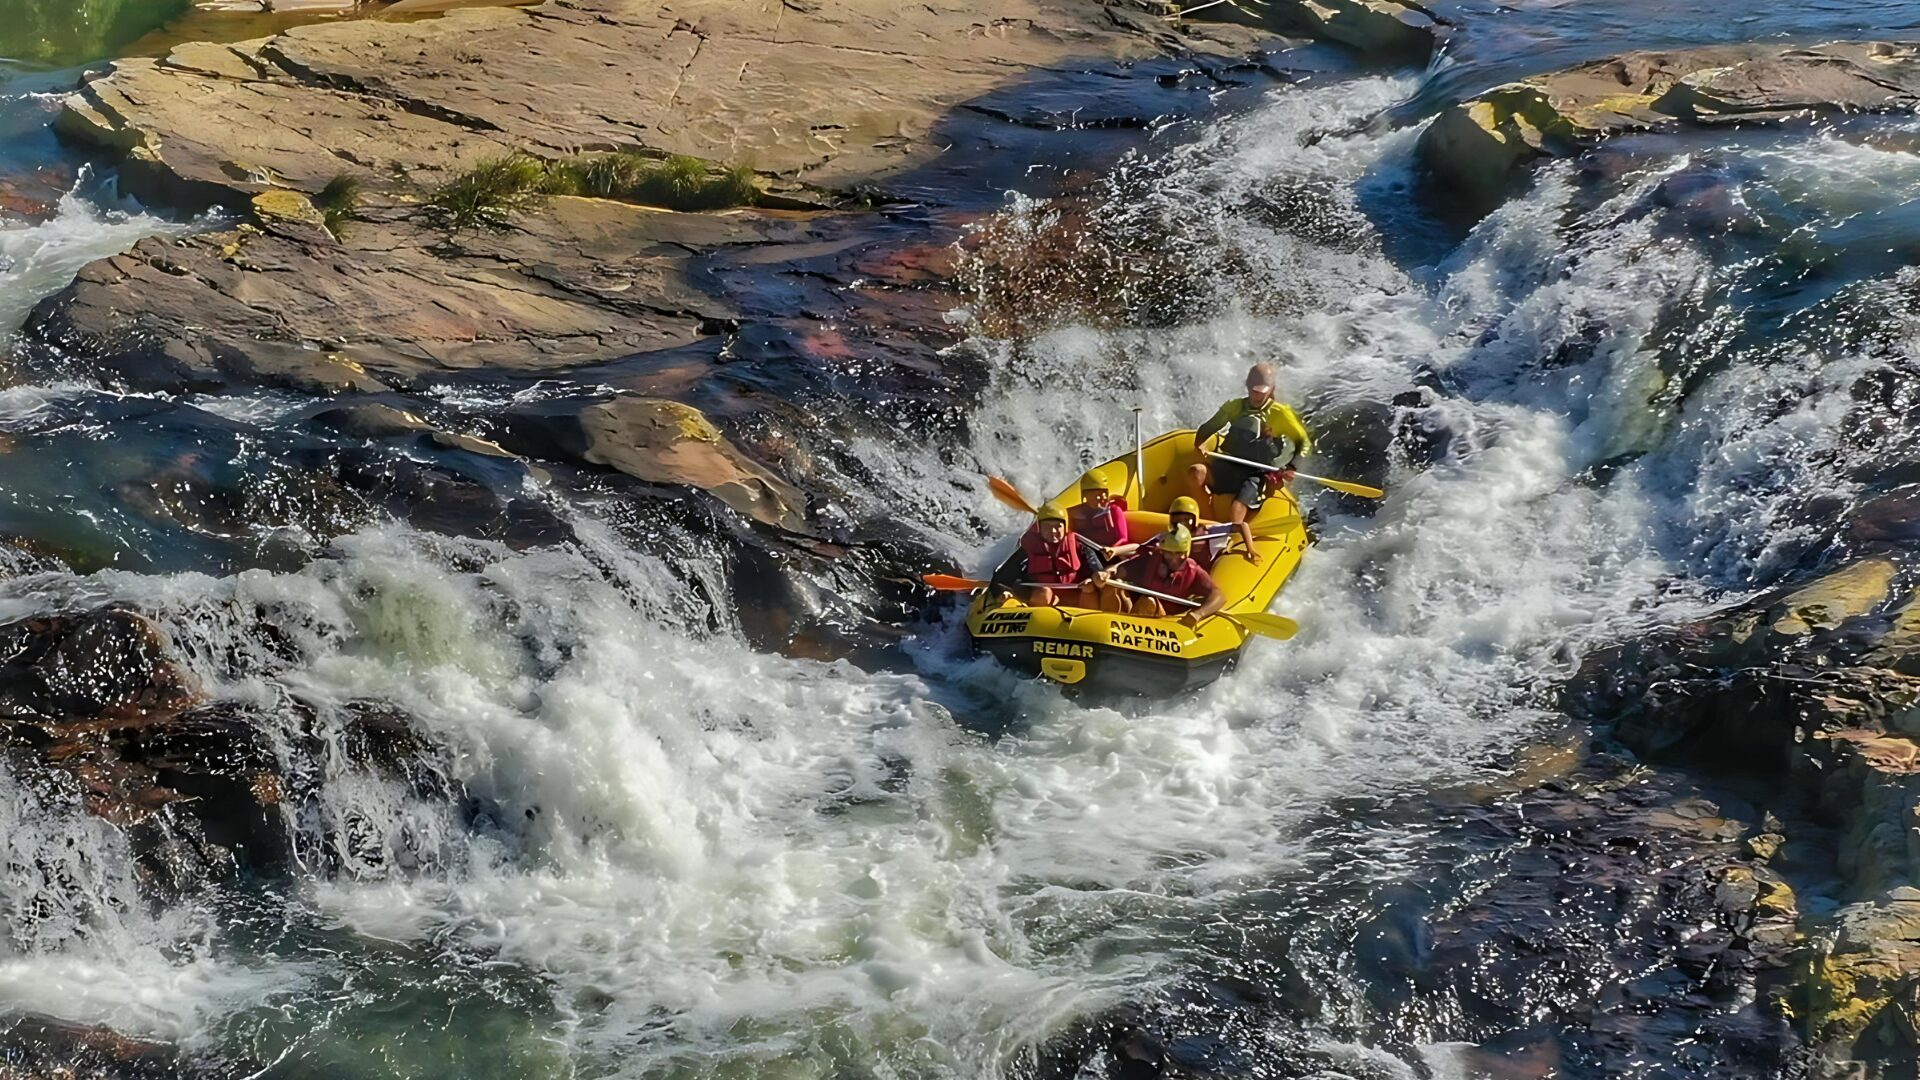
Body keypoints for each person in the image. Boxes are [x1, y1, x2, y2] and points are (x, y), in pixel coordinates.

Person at [1185, 362, 1311, 560]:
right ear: (1247, 387)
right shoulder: (1234, 407)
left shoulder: (1280, 413)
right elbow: (1209, 427)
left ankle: (1232, 537)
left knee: (1236, 511)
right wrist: (1200, 442)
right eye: (1254, 391)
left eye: (1262, 391)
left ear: (1272, 390)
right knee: (1196, 472)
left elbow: (1303, 442)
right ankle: (1209, 522)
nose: (1257, 396)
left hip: (1256, 472)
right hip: (1229, 463)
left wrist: (1291, 466)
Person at [988, 500, 1109, 608]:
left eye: (1058, 527)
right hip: (1045, 598)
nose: (1053, 531)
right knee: (1043, 593)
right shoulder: (1028, 549)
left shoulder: (1079, 547)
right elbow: (1002, 578)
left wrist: (1097, 576)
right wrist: (1001, 592)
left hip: (1076, 594)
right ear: (1039, 528)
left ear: (1065, 527)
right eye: (1047, 527)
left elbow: (1096, 568)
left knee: (1089, 590)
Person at [1120, 526, 1226, 628]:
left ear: (1185, 553)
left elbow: (1219, 596)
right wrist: (1108, 573)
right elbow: (1121, 571)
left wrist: (1198, 614)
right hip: (1136, 615)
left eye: (1178, 553)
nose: (1172, 557)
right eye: (1168, 553)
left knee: (1149, 602)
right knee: (1117, 591)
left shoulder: (1193, 572)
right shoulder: (1151, 559)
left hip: (1169, 623)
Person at [1068, 466, 1130, 556]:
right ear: (1085, 495)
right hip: (1086, 555)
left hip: (1111, 554)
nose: (1099, 498)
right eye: (1094, 495)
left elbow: (1123, 538)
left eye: (1102, 494)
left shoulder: (1114, 511)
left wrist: (1112, 549)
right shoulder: (1073, 513)